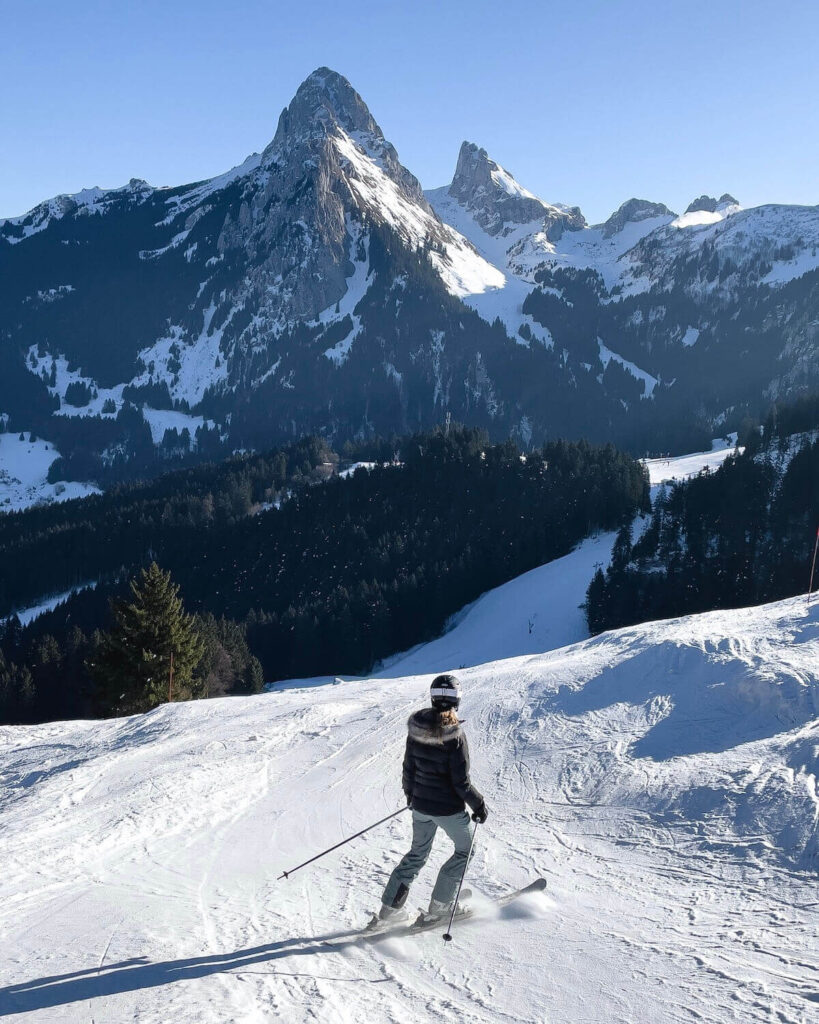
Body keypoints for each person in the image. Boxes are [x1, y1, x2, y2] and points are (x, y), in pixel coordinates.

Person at [379, 673, 488, 923]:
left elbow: (408, 768)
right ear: (457, 701)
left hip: (420, 807)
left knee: (417, 854)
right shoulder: (455, 736)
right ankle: (441, 905)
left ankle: (390, 910)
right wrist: (479, 805)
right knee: (465, 850)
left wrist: (411, 795)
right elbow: (461, 782)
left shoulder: (416, 730)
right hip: (448, 810)